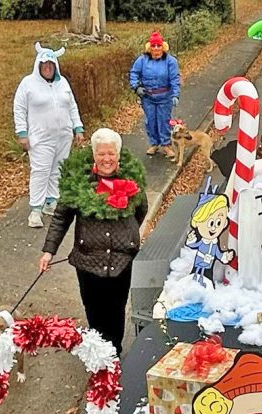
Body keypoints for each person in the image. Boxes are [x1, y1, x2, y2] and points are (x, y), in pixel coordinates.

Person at [38, 128, 148, 356]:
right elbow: (61, 217)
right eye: (101, 153)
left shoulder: (132, 180)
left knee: (116, 308)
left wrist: (126, 236)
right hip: (88, 260)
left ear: (118, 155)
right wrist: (49, 251)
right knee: (94, 309)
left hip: (120, 260)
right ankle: (98, 353)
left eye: (111, 153)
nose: (107, 158)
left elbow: (141, 211)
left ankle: (113, 353)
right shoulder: (78, 183)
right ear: (94, 155)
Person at [13, 43, 85, 229]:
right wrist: (22, 132)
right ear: (38, 65)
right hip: (40, 137)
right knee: (41, 171)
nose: (47, 68)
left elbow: (72, 105)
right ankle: (35, 210)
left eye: (51, 65)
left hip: (63, 136)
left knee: (57, 169)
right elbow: (19, 108)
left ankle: (51, 201)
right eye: (44, 64)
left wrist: (77, 127)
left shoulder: (63, 83)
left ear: (55, 66)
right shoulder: (28, 84)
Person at [129, 31, 181, 159]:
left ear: (163, 47)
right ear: (149, 47)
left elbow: (175, 78)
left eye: (158, 46)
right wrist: (136, 87)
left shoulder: (170, 61)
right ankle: (154, 143)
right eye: (153, 46)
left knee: (164, 121)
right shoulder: (142, 60)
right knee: (151, 121)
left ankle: (166, 145)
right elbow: (134, 73)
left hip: (165, 96)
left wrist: (175, 94)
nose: (156, 48)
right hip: (148, 97)